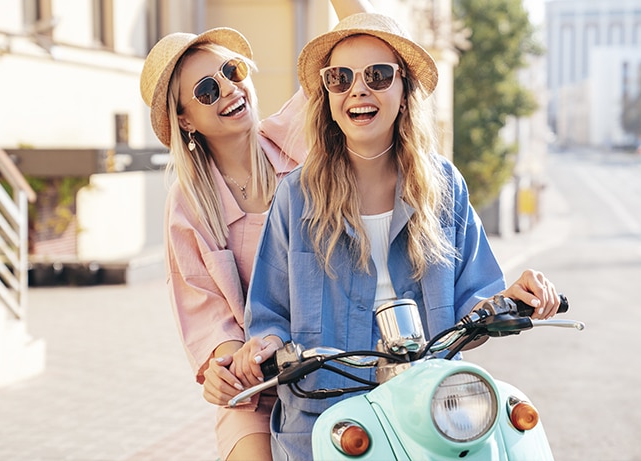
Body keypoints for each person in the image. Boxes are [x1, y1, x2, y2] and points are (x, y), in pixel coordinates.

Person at [234, 12, 561, 461]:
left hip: (429, 413)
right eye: (340, 78)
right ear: (327, 95)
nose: (358, 89)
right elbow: (268, 314)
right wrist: (267, 344)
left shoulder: (444, 186)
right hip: (329, 421)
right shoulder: (297, 195)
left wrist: (512, 297)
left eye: (378, 75)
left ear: (404, 89)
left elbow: (476, 304)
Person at [138, 2, 373, 460]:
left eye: (232, 70)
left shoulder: (298, 133)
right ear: (185, 119)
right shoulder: (188, 206)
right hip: (260, 385)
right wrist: (225, 368)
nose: (229, 88)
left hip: (344, 364)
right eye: (207, 89)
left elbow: (368, 43)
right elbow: (205, 310)